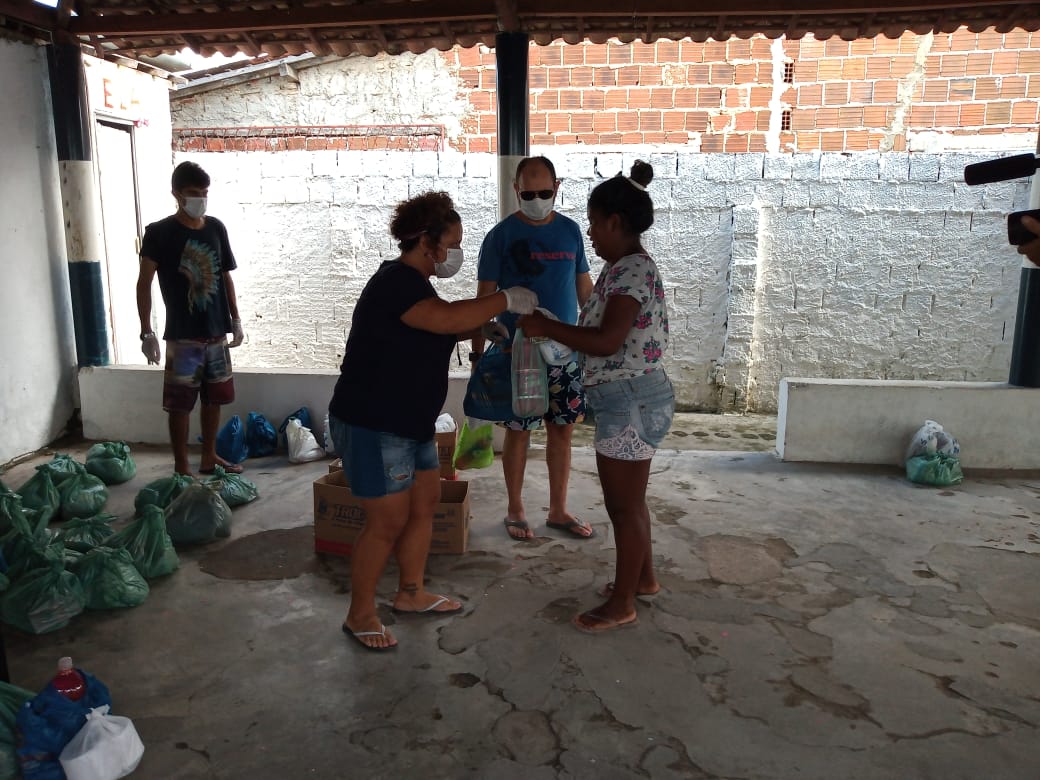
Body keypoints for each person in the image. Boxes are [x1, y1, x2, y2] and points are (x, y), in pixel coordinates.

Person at [328, 191, 537, 651]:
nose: (455, 253)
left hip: (410, 421)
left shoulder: (416, 286)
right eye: (453, 243)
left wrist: (477, 328)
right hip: (375, 421)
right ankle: (360, 614)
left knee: (425, 503)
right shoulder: (396, 282)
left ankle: (410, 592)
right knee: (386, 521)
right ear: (427, 242)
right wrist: (502, 299)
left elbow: (430, 327)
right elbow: (441, 319)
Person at [518, 160, 674, 634]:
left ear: (615, 222)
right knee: (632, 503)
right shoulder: (623, 267)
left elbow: (607, 340)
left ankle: (622, 603)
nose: (589, 233)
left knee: (623, 508)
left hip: (630, 402)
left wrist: (548, 328)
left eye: (594, 222)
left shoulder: (631, 271)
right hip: (630, 397)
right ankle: (642, 580)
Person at [472, 155, 595, 541]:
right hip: (517, 356)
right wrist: (477, 357)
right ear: (516, 190)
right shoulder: (500, 237)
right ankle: (515, 509)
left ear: (557, 188)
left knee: (562, 431)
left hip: (565, 354)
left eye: (545, 193)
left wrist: (597, 337)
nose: (537, 200)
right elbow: (482, 302)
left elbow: (584, 289)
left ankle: (558, 510)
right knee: (519, 431)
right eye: (529, 194)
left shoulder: (571, 232)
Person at [136, 161, 245, 477]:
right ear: (177, 194)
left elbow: (225, 276)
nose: (201, 199)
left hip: (216, 332)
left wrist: (236, 320)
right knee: (180, 403)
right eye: (194, 193)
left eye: (205, 193)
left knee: (215, 399)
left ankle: (209, 457)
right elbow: (144, 283)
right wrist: (146, 332)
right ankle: (182, 467)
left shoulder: (216, 228)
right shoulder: (159, 233)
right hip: (183, 335)